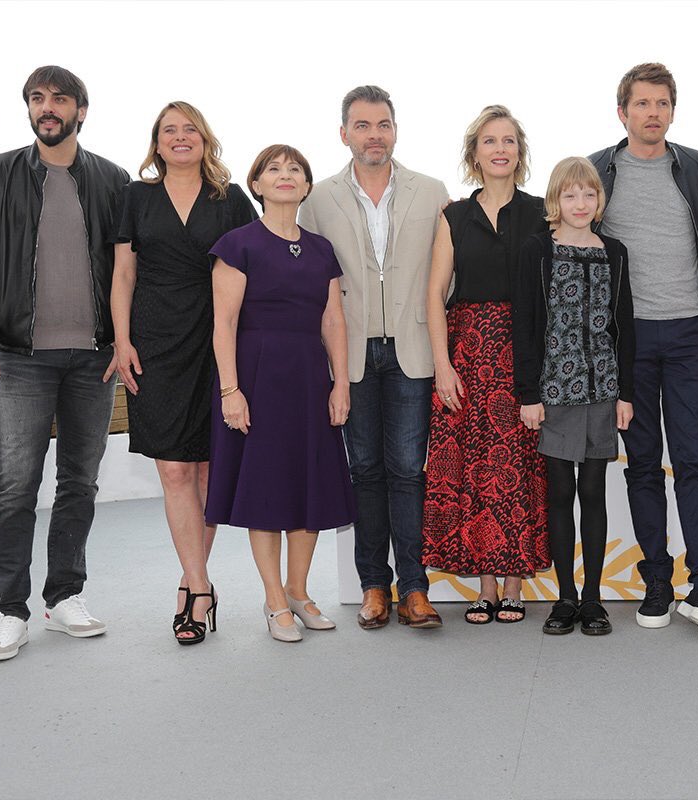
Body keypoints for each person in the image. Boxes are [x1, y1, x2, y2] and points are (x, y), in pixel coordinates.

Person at [0, 65, 128, 662]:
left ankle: (65, 597)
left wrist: (124, 341)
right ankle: (9, 610)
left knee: (79, 482)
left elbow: (129, 271)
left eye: (59, 99)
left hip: (93, 359)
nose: (46, 107)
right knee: (16, 485)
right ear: (29, 109)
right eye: (36, 99)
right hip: (19, 359)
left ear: (82, 108)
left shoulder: (111, 179)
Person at [297, 86, 449, 630]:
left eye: (383, 124)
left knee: (408, 470)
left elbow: (446, 274)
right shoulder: (317, 201)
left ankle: (414, 588)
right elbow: (308, 280)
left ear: (395, 130)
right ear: (344, 134)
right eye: (362, 125)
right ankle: (373, 586)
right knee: (364, 470)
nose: (374, 135)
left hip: (412, 349)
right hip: (350, 353)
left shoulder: (432, 193)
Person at [587, 63, 698, 635]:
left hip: (691, 331)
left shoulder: (693, 165)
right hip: (630, 341)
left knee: (692, 462)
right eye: (641, 104)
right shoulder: (599, 169)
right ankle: (656, 581)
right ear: (622, 112)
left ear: (673, 110)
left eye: (662, 104)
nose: (653, 113)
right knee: (642, 466)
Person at [111, 101, 256, 644]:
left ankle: (191, 582)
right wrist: (122, 340)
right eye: (169, 130)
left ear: (205, 139)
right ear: (156, 142)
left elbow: (252, 268)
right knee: (174, 470)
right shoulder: (136, 196)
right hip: (154, 342)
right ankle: (199, 589)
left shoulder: (230, 198)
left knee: (207, 472)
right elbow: (123, 273)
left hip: (218, 339)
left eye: (189, 129)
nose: (179, 137)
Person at [206, 145, 356, 642]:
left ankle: (299, 589)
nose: (285, 175)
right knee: (268, 489)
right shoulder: (238, 244)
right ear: (257, 185)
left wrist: (339, 382)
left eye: (295, 169)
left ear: (307, 186)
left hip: (310, 377)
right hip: (256, 375)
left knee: (308, 482)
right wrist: (231, 390)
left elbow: (332, 319)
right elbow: (223, 324)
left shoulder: (320, 249)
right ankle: (274, 602)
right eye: (274, 169)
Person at [422, 105, 550, 624]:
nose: (500, 149)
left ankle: (516, 584)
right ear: (474, 153)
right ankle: (485, 586)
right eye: (489, 141)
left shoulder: (543, 212)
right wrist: (442, 365)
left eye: (509, 141)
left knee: (521, 465)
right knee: (473, 466)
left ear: (520, 152)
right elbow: (434, 294)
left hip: (524, 354)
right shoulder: (454, 216)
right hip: (468, 354)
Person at [513, 157, 634, 635]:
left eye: (588, 194)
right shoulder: (537, 251)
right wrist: (529, 393)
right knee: (560, 494)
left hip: (602, 389)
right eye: (570, 195)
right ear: (554, 201)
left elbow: (624, 328)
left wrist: (626, 392)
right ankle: (564, 596)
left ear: (599, 200)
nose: (580, 203)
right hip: (554, 391)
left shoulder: (616, 252)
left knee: (594, 493)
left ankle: (592, 598)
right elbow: (525, 325)